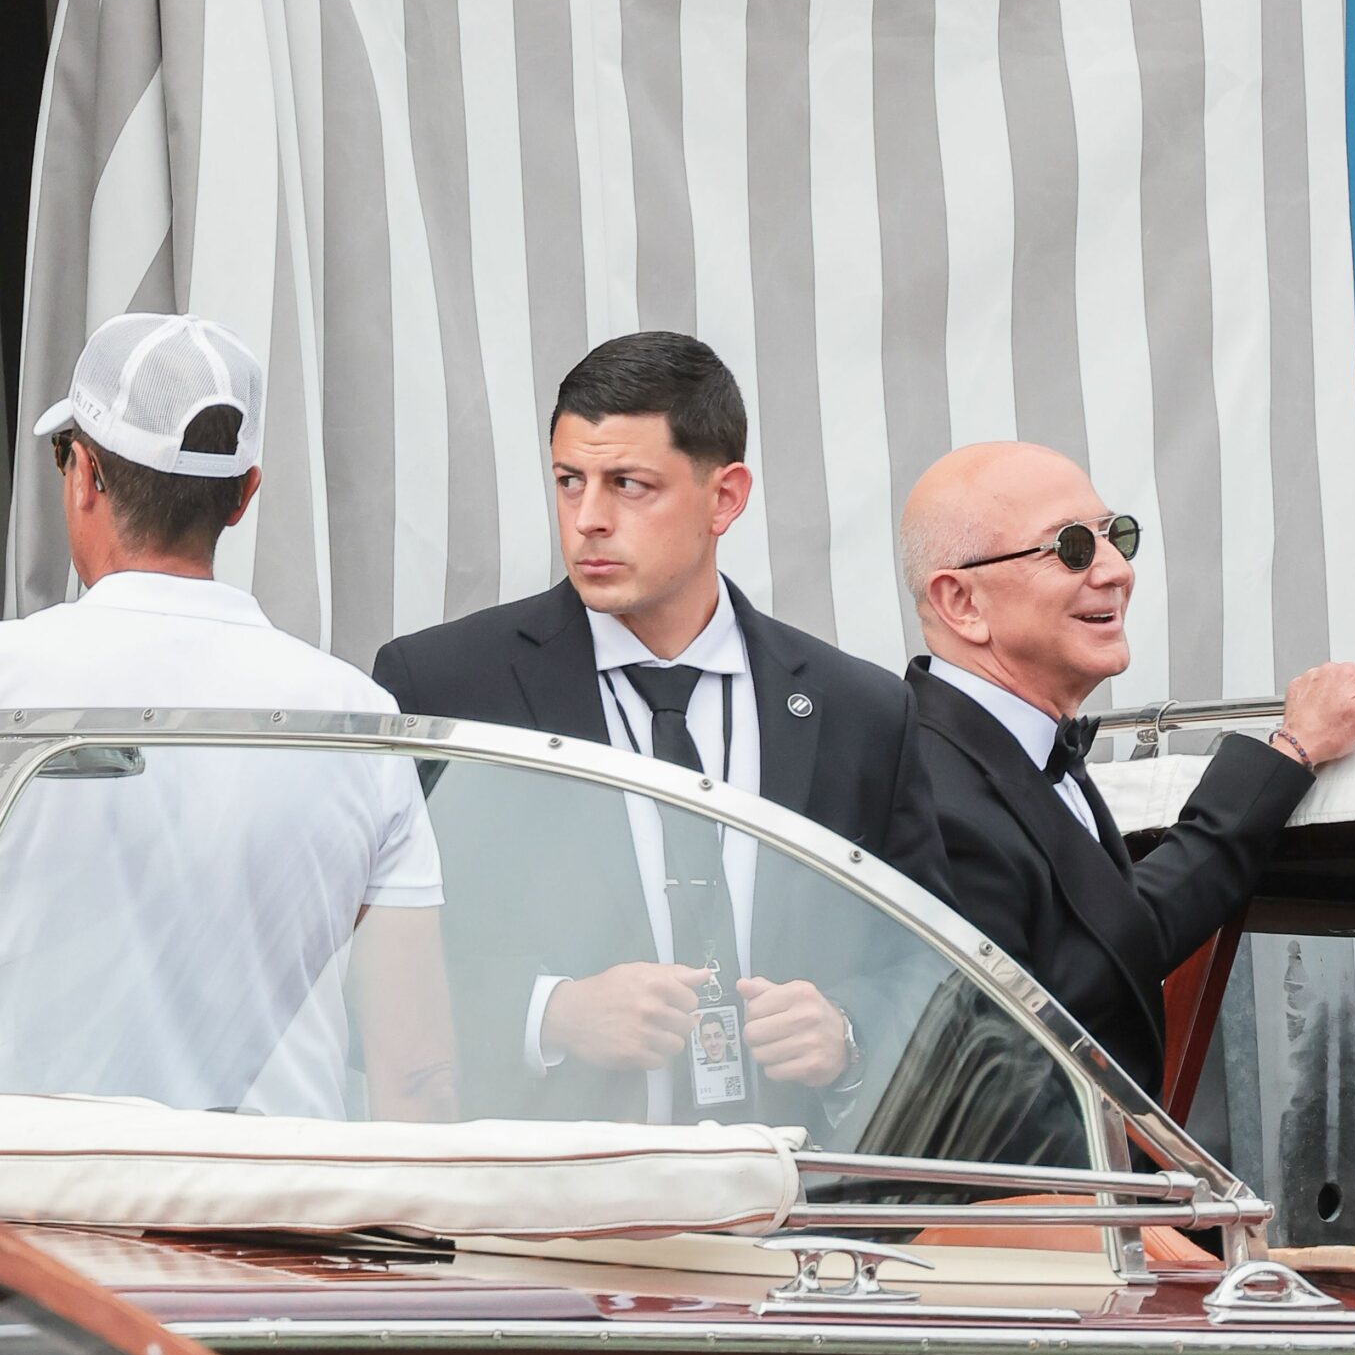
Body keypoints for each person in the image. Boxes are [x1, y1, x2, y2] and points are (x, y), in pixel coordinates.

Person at [374, 330, 950, 1121]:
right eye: (569, 482)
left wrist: (850, 1030)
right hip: (551, 1185)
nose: (588, 519)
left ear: (725, 497)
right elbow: (363, 964)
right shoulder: (444, 687)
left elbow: (933, 962)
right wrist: (550, 1013)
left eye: (629, 485)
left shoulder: (860, 710)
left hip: (790, 1184)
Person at [0, 312, 449, 1118]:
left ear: (85, 475)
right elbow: (415, 1073)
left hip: (37, 1183)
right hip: (275, 1191)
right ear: (244, 496)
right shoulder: (358, 717)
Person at [899, 440, 1355, 1098]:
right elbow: (1055, 1009)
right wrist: (1291, 750)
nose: (1117, 570)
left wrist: (1293, 751)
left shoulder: (1018, 747)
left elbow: (1121, 929)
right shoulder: (924, 784)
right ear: (961, 603)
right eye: (1072, 547)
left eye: (1117, 536)